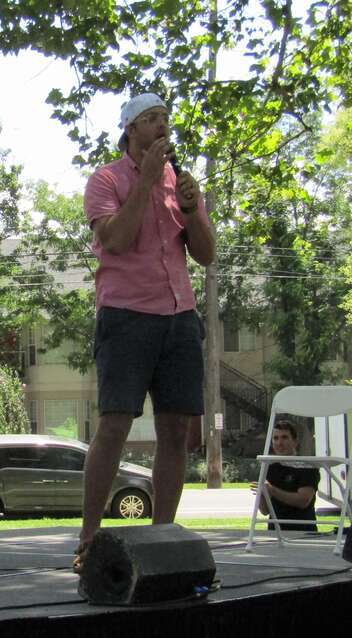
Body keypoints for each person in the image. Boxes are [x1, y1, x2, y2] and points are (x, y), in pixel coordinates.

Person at [75, 93, 216, 573]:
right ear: (130, 129)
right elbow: (115, 239)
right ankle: (89, 541)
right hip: (126, 316)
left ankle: (162, 539)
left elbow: (206, 255)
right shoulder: (106, 179)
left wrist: (192, 209)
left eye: (165, 120)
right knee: (114, 425)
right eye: (152, 119)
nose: (162, 126)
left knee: (175, 430)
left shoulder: (181, 181)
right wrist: (147, 182)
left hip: (180, 316)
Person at [250, 419, 319, 531]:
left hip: (302, 532)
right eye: (275, 438)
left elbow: (303, 501)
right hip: (275, 532)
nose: (279, 443)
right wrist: (262, 493)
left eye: (284, 437)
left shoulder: (307, 467)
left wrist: (272, 490)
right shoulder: (270, 467)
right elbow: (265, 510)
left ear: (295, 441)